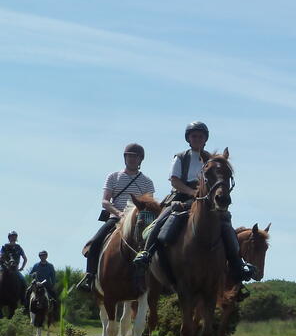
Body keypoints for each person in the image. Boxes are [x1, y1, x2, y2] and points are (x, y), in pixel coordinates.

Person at [133, 121, 255, 284]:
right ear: (188, 139)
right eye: (194, 136)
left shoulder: (212, 160)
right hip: (182, 197)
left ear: (205, 139)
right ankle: (146, 253)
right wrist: (192, 193)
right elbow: (175, 181)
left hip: (207, 199)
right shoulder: (181, 157)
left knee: (226, 223)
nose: (197, 139)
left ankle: (238, 265)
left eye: (200, 136)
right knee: (163, 219)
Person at [76, 143, 156, 292]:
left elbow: (149, 205)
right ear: (125, 158)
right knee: (95, 242)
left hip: (139, 221)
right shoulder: (113, 177)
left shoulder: (147, 182)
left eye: (135, 156)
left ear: (141, 160)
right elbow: (105, 201)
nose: (132, 159)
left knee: (154, 244)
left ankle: (155, 279)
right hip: (117, 217)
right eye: (129, 156)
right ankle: (90, 276)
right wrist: (119, 213)